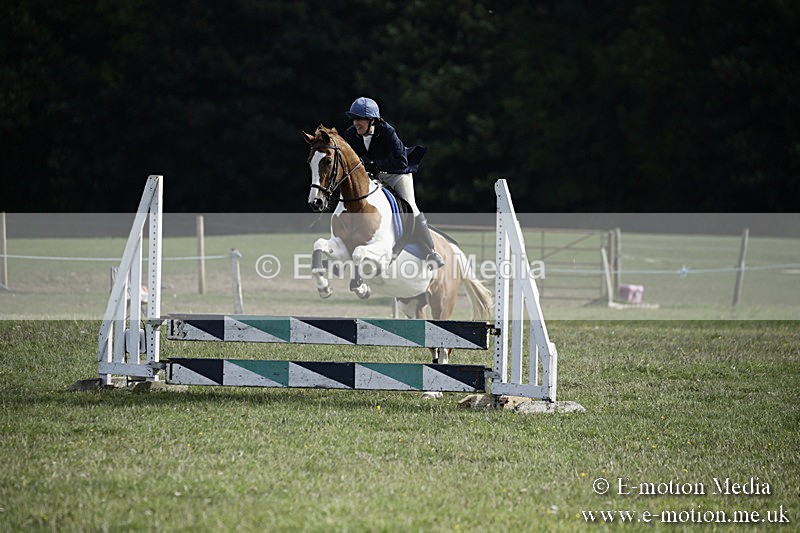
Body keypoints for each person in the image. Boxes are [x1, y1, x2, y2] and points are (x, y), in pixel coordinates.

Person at [343, 96, 445, 269]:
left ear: (372, 120)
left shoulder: (388, 131)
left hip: (396, 174)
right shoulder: (350, 135)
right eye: (354, 119)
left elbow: (401, 162)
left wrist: (375, 165)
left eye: (359, 119)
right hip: (372, 176)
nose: (356, 123)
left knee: (411, 206)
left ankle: (431, 251)